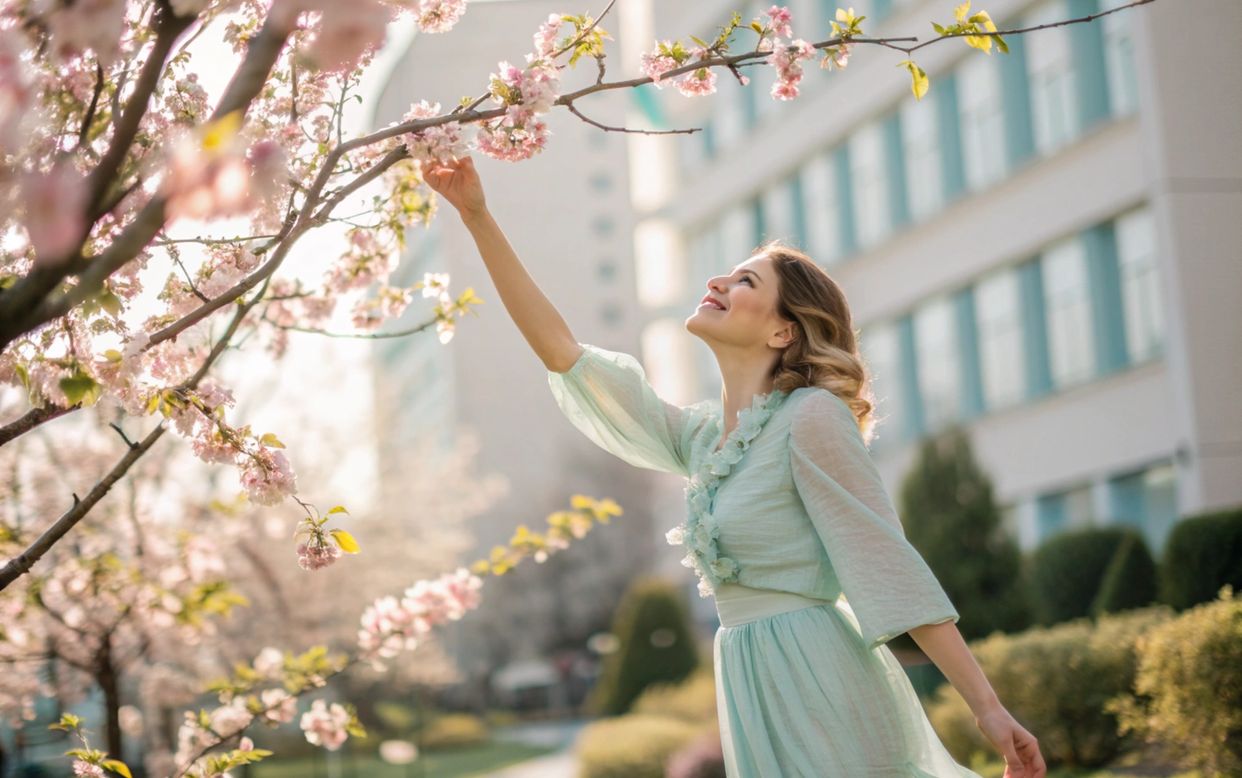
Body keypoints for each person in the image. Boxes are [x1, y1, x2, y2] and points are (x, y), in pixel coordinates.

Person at [426, 154, 1046, 778]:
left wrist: (988, 709)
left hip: (817, 675)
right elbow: (563, 354)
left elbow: (886, 562)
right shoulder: (700, 440)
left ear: (783, 333)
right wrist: (478, 218)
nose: (719, 281)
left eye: (747, 281)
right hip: (749, 679)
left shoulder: (811, 418)